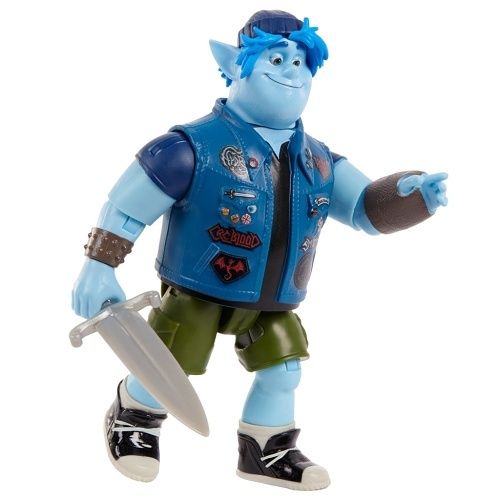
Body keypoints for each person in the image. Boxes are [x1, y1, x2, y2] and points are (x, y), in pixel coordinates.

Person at [72, 10, 447, 491]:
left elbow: (366, 209)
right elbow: (127, 207)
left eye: (301, 61)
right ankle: (134, 417)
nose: (292, 71)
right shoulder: (192, 148)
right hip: (198, 290)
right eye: (276, 58)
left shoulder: (318, 160)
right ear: (236, 65)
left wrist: (414, 197)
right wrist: (98, 265)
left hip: (274, 298)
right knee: (169, 360)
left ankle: (266, 448)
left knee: (283, 369)